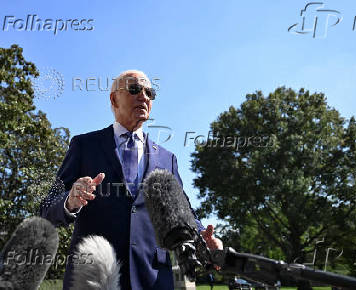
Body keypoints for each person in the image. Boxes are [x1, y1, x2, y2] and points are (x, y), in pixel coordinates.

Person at [40, 70, 222, 289]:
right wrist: (70, 201)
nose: (144, 96)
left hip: (153, 279)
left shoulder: (167, 159)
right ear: (114, 98)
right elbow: (46, 209)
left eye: (149, 92)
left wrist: (203, 238)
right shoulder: (84, 146)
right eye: (135, 90)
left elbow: (184, 214)